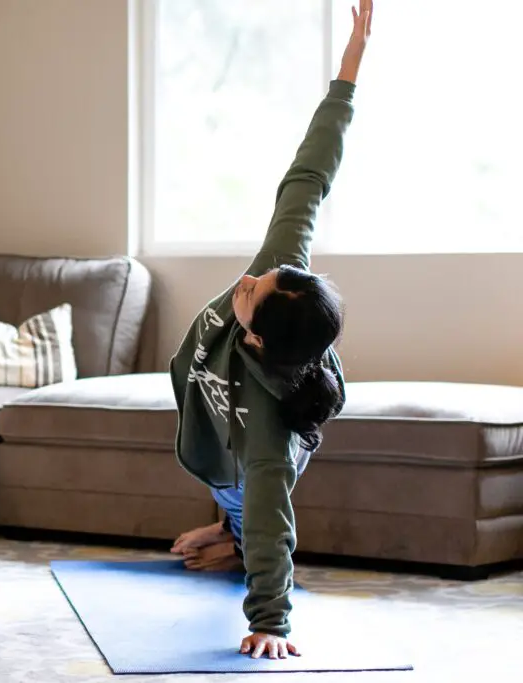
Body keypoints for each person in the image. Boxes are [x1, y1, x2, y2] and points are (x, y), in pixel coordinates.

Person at [165, 0, 373, 662]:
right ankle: (224, 531)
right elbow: (308, 178)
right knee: (237, 487)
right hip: (221, 414)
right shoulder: (278, 276)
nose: (247, 281)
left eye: (251, 295)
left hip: (246, 454)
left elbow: (274, 524)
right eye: (268, 273)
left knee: (251, 498)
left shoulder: (267, 437)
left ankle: (228, 536)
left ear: (256, 340)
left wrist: (271, 620)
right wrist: (351, 66)